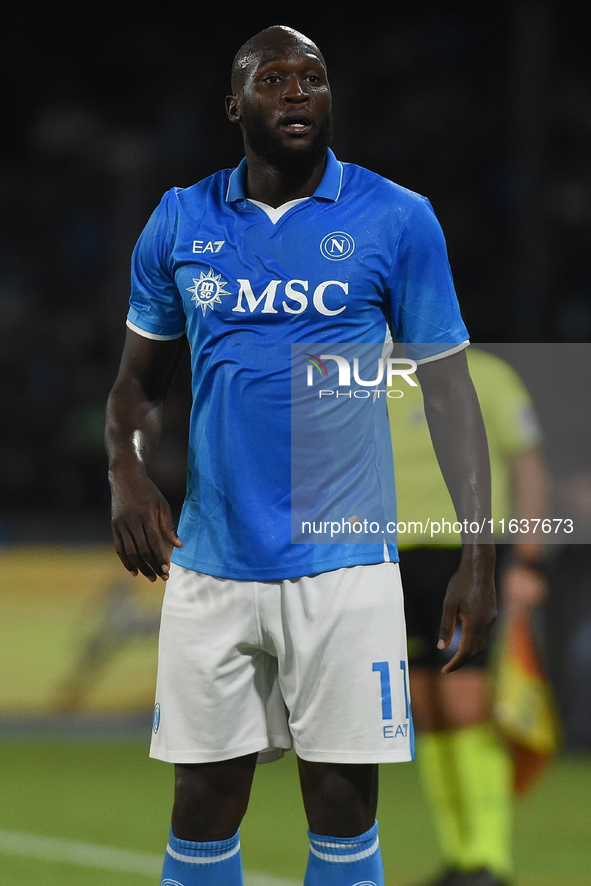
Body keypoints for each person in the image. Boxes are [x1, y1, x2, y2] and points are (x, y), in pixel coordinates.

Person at [105, 25, 496, 886]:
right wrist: (127, 472)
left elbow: (449, 395)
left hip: (345, 564)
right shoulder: (179, 220)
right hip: (213, 561)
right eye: (273, 78)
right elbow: (137, 390)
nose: (296, 91)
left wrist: (478, 552)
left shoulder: (397, 218)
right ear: (233, 105)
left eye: (313, 78)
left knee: (344, 809)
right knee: (201, 806)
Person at [387, 347, 549, 886]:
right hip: (392, 559)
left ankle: (490, 860)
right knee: (424, 709)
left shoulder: (488, 375)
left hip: (466, 558)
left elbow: (529, 469)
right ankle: (460, 859)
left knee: (466, 705)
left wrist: (528, 558)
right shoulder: (372, 378)